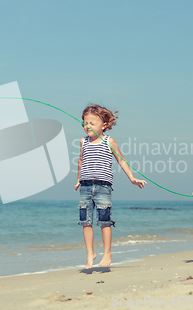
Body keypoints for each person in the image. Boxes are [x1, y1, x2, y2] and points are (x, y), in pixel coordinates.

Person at [74, 104, 147, 269]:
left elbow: (121, 160)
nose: (88, 126)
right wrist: (78, 179)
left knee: (104, 221)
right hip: (85, 186)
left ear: (104, 125)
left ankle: (107, 253)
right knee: (85, 221)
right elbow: (80, 160)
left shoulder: (109, 141)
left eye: (93, 123)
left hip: (103, 187)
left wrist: (132, 178)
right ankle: (90, 253)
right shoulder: (83, 142)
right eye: (86, 122)